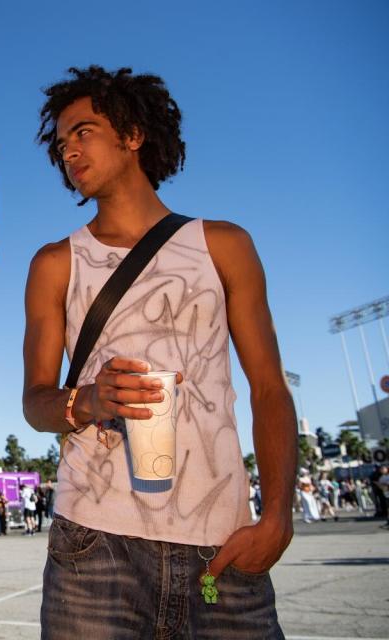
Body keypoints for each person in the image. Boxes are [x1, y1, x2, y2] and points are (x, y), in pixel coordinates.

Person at [23, 66, 294, 637]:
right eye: (61, 141)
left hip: (221, 544)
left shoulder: (223, 245)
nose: (68, 149)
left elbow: (269, 388)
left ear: (133, 134)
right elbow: (36, 402)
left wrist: (277, 517)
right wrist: (89, 401)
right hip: (93, 546)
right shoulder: (55, 264)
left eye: (83, 131)